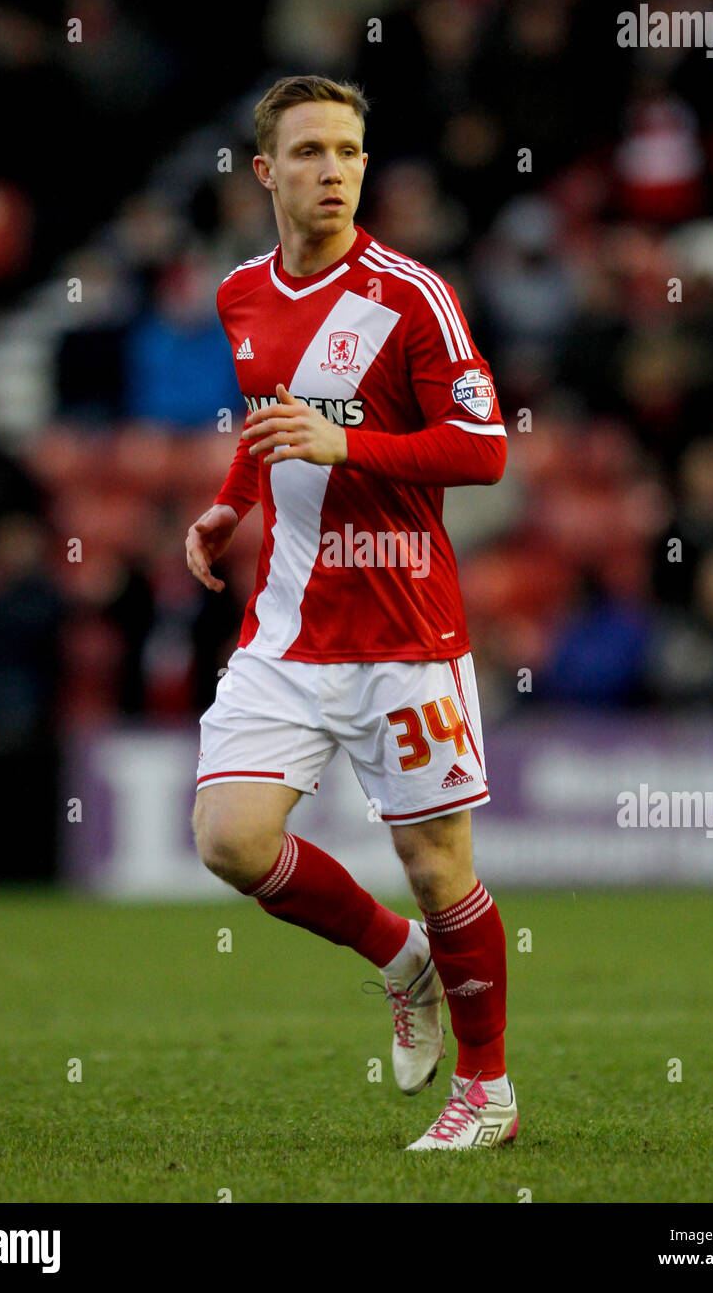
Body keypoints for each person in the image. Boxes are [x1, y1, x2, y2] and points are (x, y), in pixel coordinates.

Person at [185, 75, 513, 1150]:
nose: (335, 170)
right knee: (229, 841)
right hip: (285, 628)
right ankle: (401, 958)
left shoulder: (408, 295)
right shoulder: (239, 293)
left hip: (403, 633)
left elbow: (484, 448)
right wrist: (230, 506)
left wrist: (350, 444)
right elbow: (269, 419)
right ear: (264, 171)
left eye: (351, 151)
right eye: (313, 151)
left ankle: (488, 1093)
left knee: (439, 865)